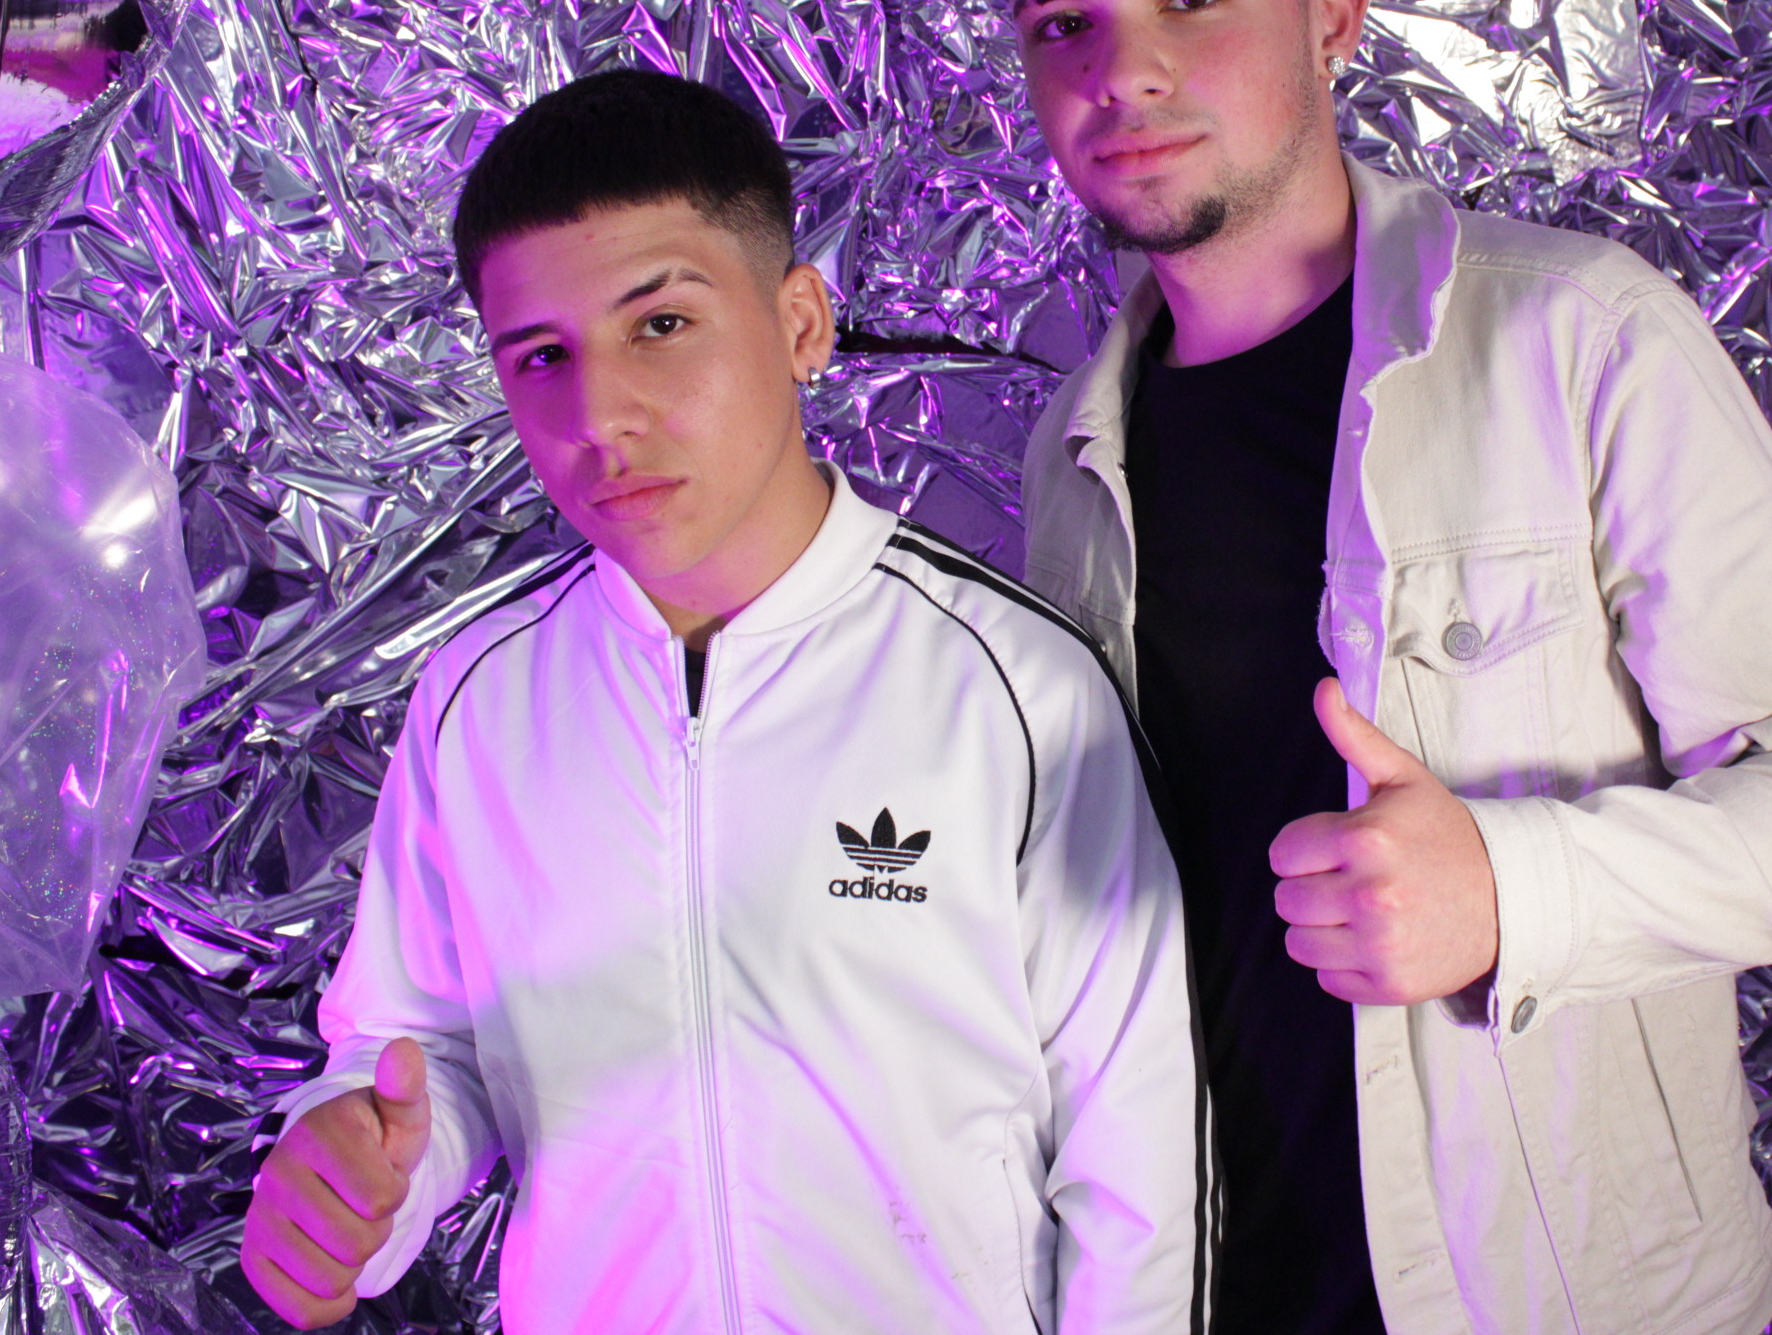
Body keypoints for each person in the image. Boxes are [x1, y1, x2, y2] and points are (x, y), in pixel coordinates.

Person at [977, 0, 1772, 1335]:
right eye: (1059, 23)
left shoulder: (1580, 339)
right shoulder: (1076, 452)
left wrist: (1512, 889)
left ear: (1332, 14)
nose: (1123, 73)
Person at [238, 69, 1212, 1335]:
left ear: (800, 322)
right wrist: (358, 1161)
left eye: (662, 324)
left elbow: (1141, 1159)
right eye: (542, 357)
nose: (602, 415)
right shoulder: (479, 700)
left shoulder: (1012, 686)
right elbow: (419, 1049)